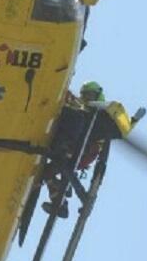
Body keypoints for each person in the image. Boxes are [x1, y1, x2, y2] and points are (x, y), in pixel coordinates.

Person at [40, 81, 123, 218]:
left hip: (83, 150)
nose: (86, 98)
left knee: (75, 118)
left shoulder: (100, 114)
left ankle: (64, 154)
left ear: (98, 96)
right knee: (47, 171)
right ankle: (59, 204)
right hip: (73, 152)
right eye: (84, 95)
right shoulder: (81, 105)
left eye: (90, 95)